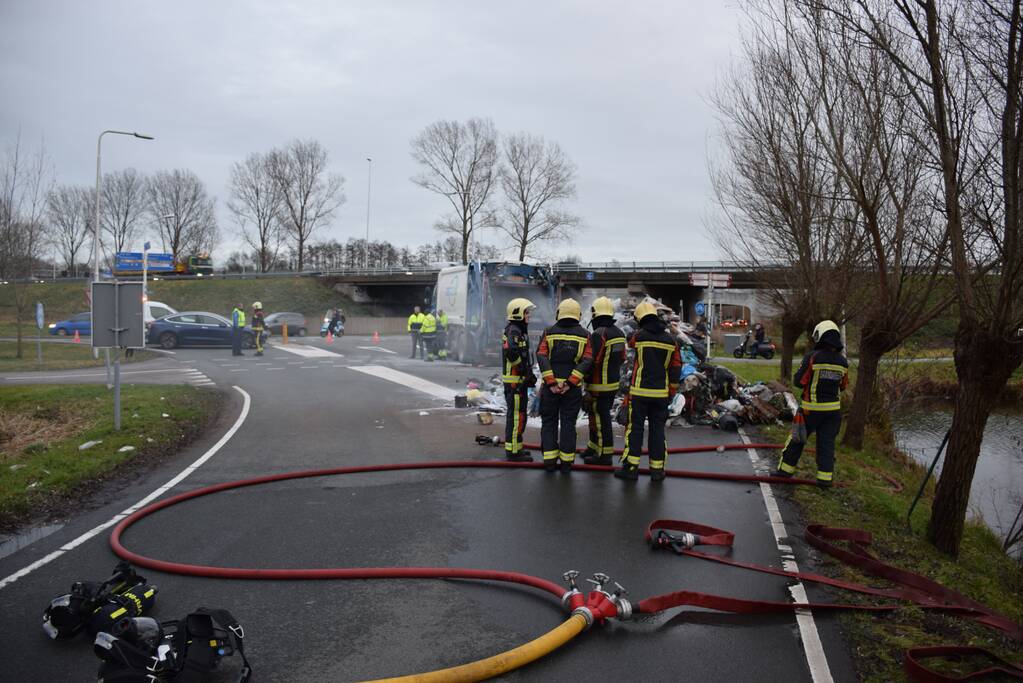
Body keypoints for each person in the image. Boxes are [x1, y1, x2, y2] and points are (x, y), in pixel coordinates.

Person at [774, 320, 849, 487]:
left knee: (796, 440)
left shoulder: (813, 357)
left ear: (821, 336)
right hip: (833, 413)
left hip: (810, 410)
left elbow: (799, 382)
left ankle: (784, 472)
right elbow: (843, 386)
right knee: (826, 446)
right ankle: (824, 480)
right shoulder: (843, 362)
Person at [616, 301, 682, 482]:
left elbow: (630, 342)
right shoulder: (671, 341)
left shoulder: (639, 337)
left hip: (639, 393)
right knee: (657, 431)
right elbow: (676, 367)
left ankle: (630, 469)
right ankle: (657, 470)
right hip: (661, 394)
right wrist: (672, 390)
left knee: (635, 430)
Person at [536, 298, 593, 474]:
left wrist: (552, 383)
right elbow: (587, 359)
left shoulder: (549, 332)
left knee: (549, 422)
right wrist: (570, 383)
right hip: (572, 389)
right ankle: (567, 463)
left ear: (559, 313)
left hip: (550, 388)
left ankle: (549, 461)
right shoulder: (585, 335)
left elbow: (542, 355)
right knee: (568, 423)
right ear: (578, 314)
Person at [581, 297, 627, 465]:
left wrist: (583, 378)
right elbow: (622, 358)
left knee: (600, 418)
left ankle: (604, 455)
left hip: (598, 384)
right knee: (596, 416)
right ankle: (593, 447)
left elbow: (592, 360)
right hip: (612, 383)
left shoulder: (599, 334)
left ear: (595, 315)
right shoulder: (620, 334)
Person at [502, 298, 537, 462]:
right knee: (516, 416)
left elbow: (523, 356)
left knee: (520, 415)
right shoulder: (514, 331)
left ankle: (517, 446)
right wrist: (524, 371)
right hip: (515, 382)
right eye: (526, 312)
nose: (529, 315)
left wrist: (528, 372)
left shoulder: (517, 330)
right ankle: (514, 452)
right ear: (518, 314)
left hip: (519, 380)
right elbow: (511, 353)